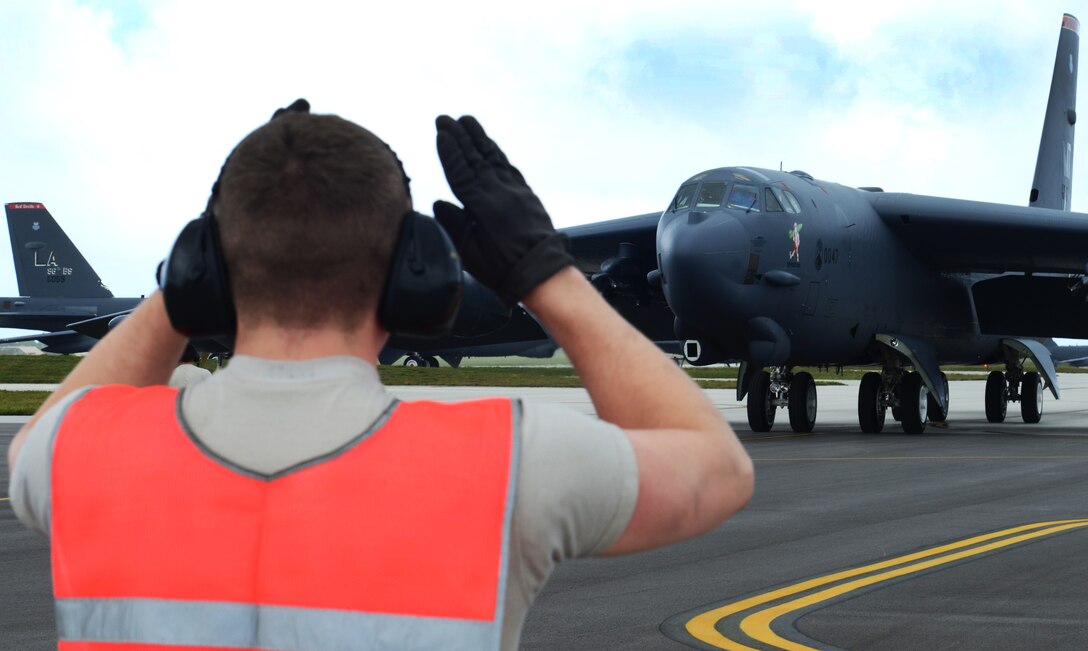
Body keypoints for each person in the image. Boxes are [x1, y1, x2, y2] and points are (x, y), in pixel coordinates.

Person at [6, 106, 753, 650]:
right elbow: (718, 467)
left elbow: (39, 441)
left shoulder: (78, 453)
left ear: (208, 259)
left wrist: (190, 277)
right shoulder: (511, 461)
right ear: (413, 274)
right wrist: (547, 273)